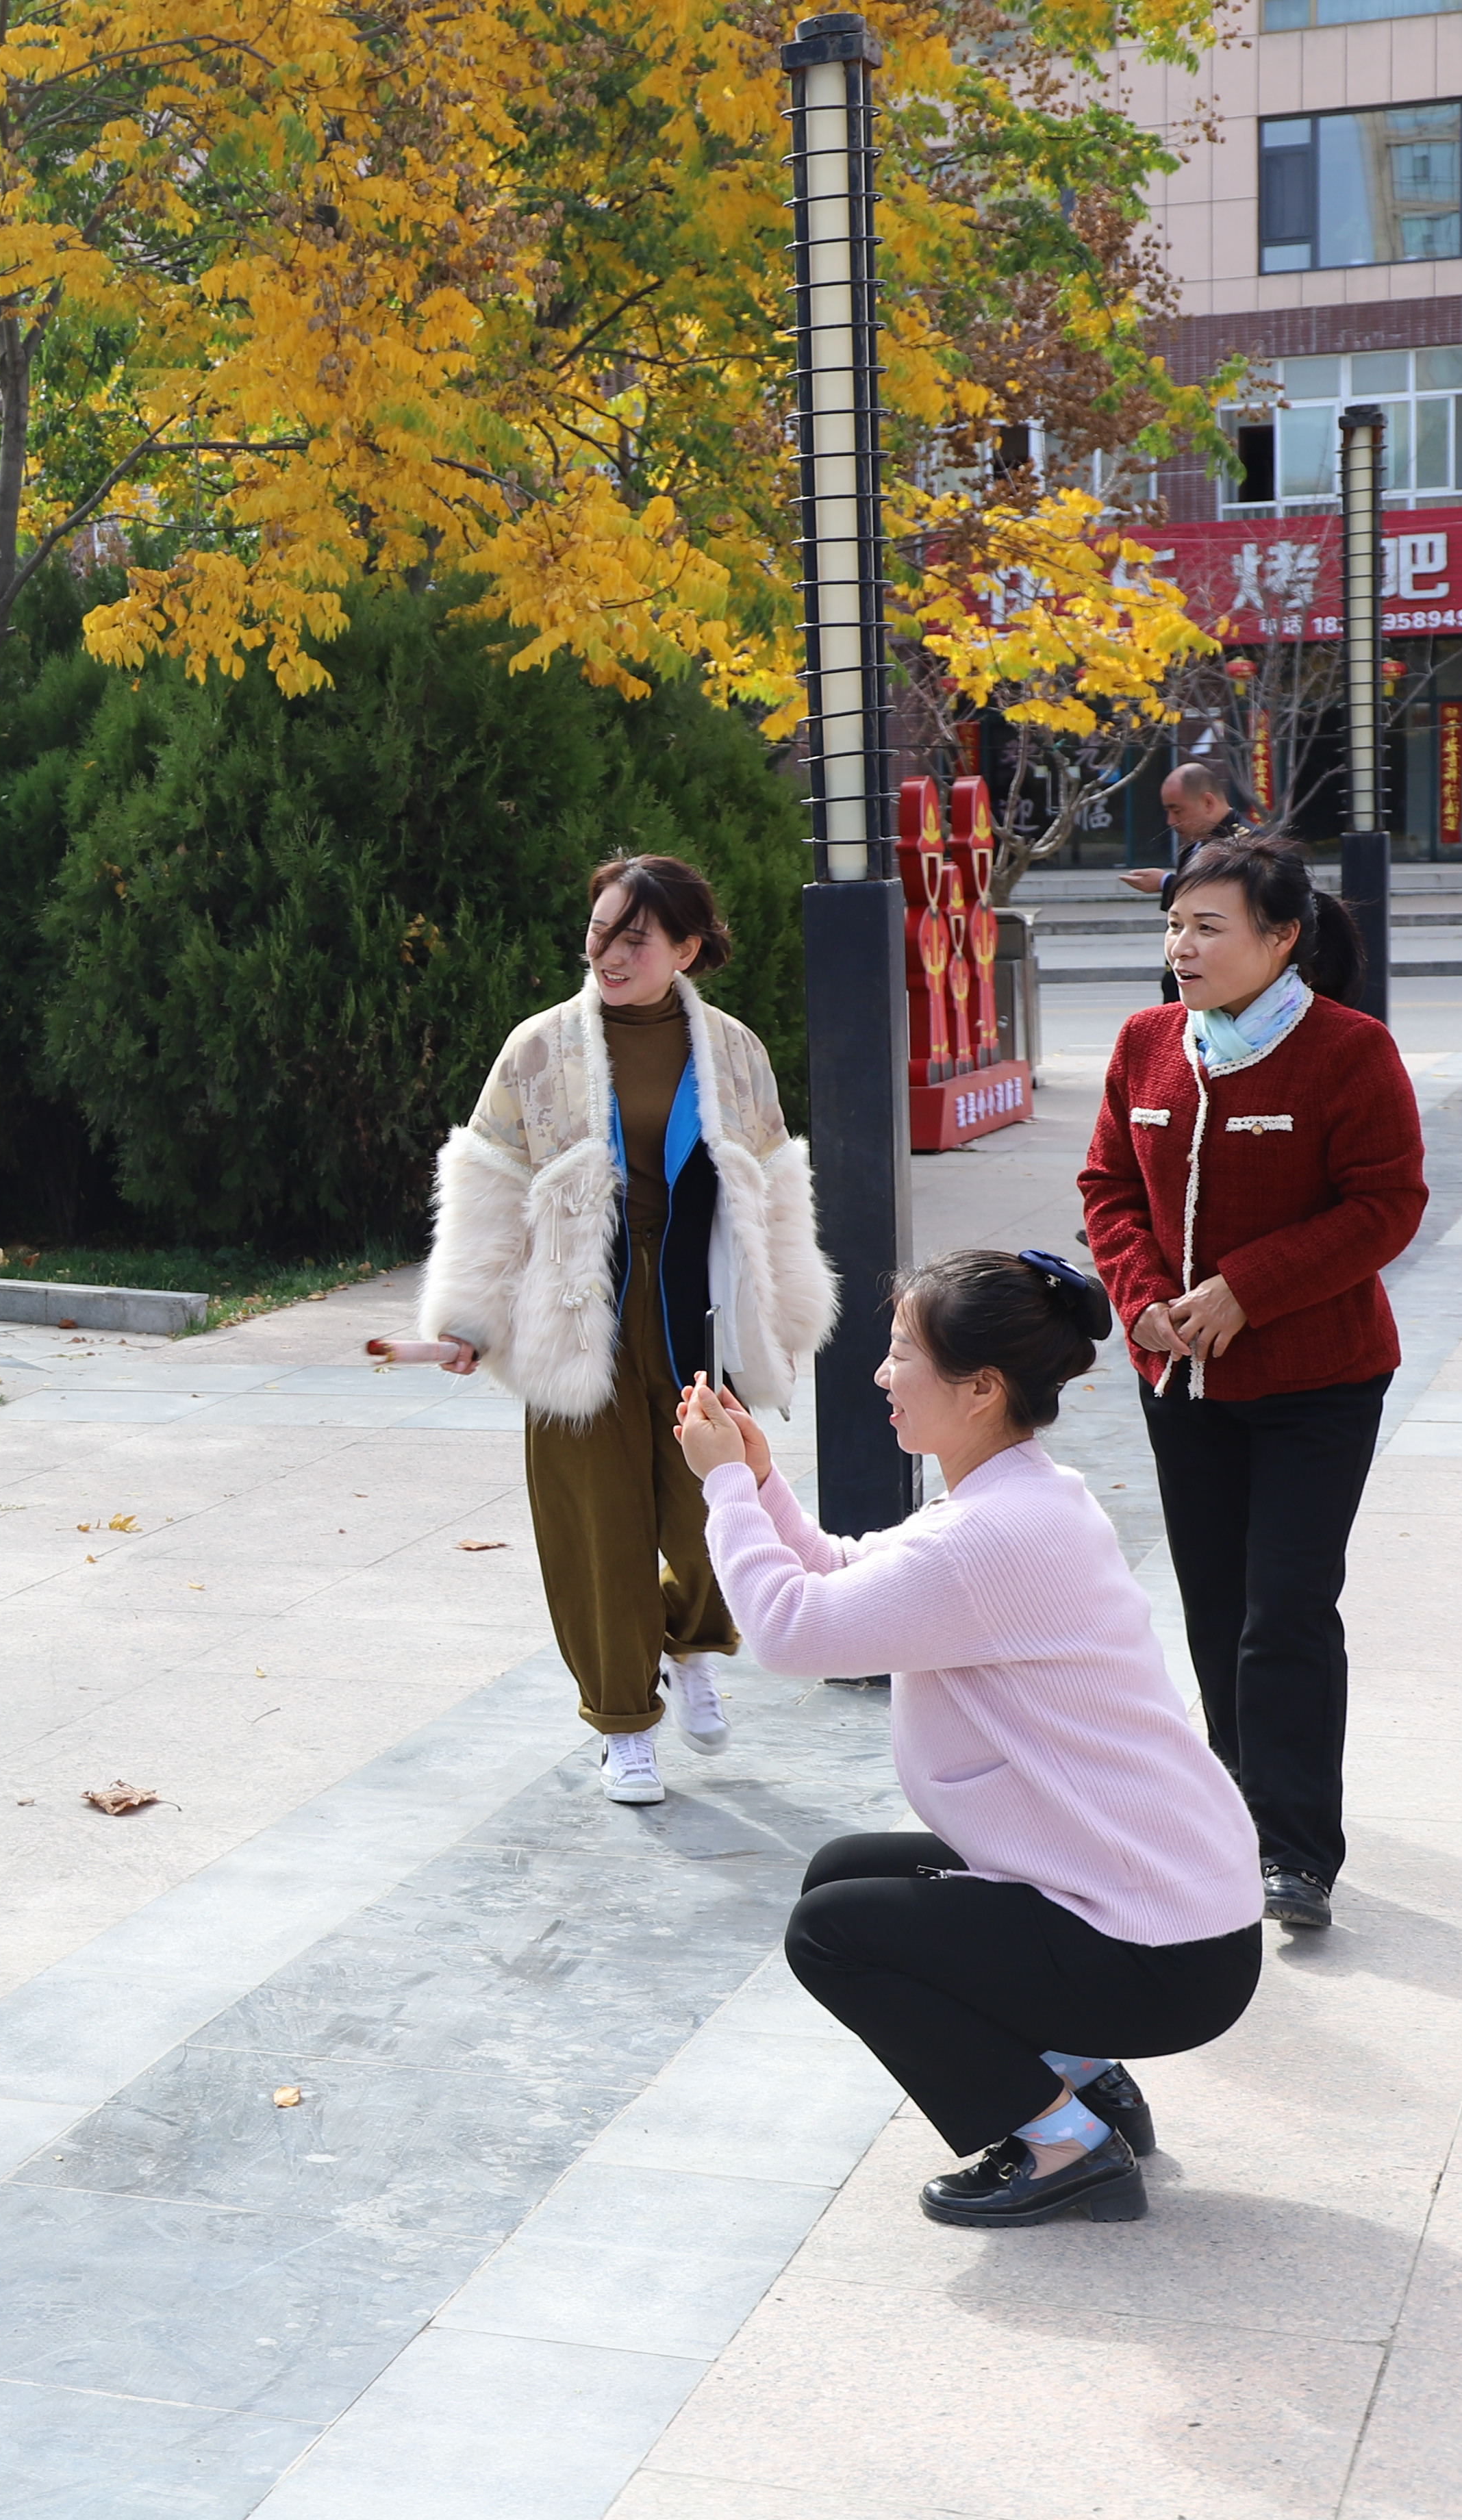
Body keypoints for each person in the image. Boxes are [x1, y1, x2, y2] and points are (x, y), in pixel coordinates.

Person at [678, 1252, 1265, 2229]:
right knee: (844, 1872)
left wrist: (726, 1494)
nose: (881, 1375)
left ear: (983, 1389)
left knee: (832, 1934)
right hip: (1173, 1909)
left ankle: (1063, 2146)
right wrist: (767, 1483)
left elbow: (791, 1632)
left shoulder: (986, 1537)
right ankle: (1085, 2079)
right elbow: (844, 1574)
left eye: (902, 1353)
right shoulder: (1023, 1498)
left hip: (1165, 1951)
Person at [415, 853, 835, 1804]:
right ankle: (622, 1723)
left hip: (700, 1312)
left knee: (709, 1513)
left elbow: (772, 1192)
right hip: (576, 1318)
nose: (608, 951)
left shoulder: (733, 1050)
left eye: (634, 938)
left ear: (686, 949)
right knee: (594, 1527)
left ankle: (690, 1644)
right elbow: (490, 1189)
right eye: (601, 930)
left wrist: (788, 1312)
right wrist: (470, 1321)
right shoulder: (537, 1047)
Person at [1076, 839, 1424, 1935]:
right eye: (1175, 924)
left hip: (1319, 1381)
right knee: (1218, 1609)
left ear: (1282, 940)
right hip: (1180, 1378)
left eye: (1209, 927)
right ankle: (1230, 1815)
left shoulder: (1349, 1052)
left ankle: (1297, 1849)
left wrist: (1246, 1291)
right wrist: (1139, 1299)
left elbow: (1385, 1206)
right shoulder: (1145, 1044)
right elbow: (1107, 1186)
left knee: (1285, 1610)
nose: (1182, 946)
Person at [1116, 759, 1253, 899]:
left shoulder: (1249, 845)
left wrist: (1166, 883)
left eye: (1177, 811)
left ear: (1208, 803)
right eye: (1167, 812)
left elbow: (1227, 901)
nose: (1171, 822)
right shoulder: (1193, 847)